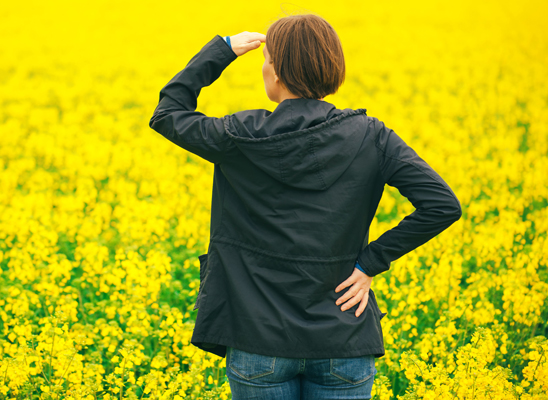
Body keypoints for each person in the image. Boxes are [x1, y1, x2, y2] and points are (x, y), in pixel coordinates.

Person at [149, 13, 462, 400]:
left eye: (266, 61)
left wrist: (224, 49)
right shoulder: (372, 136)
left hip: (255, 337)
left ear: (275, 73)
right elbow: (442, 205)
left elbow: (168, 114)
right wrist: (369, 264)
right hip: (342, 338)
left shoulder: (240, 135)